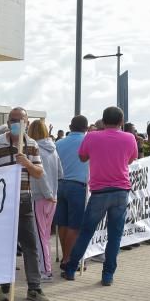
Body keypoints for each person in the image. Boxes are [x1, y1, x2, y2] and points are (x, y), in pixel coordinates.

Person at [0, 107, 51, 301]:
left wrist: (27, 164)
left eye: (20, 121)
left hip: (24, 201)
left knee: (30, 246)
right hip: (3, 204)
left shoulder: (32, 145)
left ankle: (34, 288)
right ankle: (5, 286)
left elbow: (39, 173)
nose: (16, 124)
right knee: (5, 246)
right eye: (12, 120)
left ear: (27, 123)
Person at [62, 107, 139, 286]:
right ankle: (107, 275)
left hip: (99, 192)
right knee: (115, 235)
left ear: (103, 121)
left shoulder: (92, 136)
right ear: (121, 122)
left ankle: (71, 268)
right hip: (121, 191)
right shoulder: (129, 138)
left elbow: (82, 157)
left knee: (86, 231)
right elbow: (131, 160)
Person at [28, 119, 63, 283]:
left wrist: (48, 192)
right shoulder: (54, 149)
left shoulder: (35, 150)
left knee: (40, 235)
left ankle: (45, 270)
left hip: (40, 196)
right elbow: (60, 173)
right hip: (52, 198)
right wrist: (52, 193)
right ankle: (45, 268)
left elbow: (39, 175)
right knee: (45, 235)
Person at [55, 115, 89, 275]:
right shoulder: (88, 141)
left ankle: (65, 256)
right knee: (75, 226)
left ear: (70, 126)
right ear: (86, 127)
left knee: (63, 223)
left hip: (60, 185)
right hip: (78, 186)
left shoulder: (59, 143)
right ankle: (68, 259)